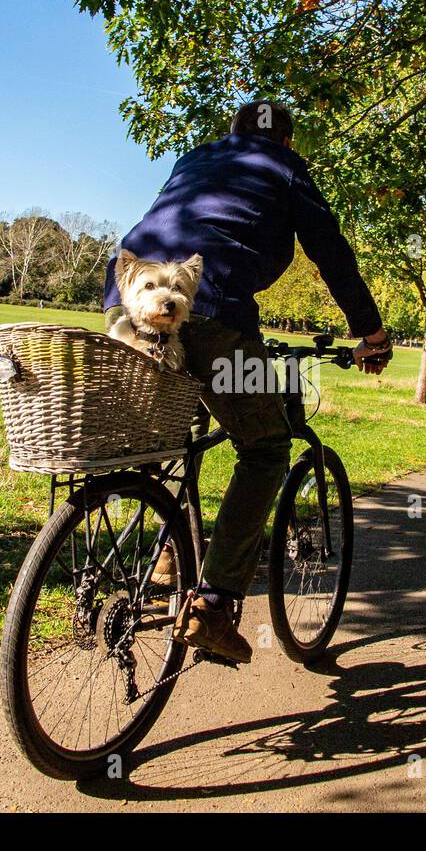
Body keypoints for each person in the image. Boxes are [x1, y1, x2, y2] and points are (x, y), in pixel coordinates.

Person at [101, 99, 391, 664]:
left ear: (230, 133)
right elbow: (330, 250)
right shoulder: (283, 167)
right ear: (286, 142)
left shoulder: (196, 159)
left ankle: (167, 553)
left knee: (175, 433)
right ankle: (211, 605)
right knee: (264, 449)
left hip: (127, 302)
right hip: (207, 308)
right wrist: (369, 332)